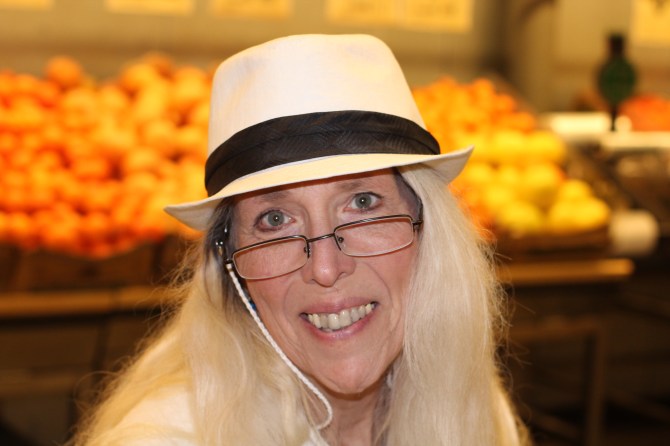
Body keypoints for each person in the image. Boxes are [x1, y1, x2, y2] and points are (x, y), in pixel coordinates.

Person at [72, 34, 528, 445]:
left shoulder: (471, 410)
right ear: (230, 268)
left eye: (363, 203)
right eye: (275, 220)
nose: (326, 269)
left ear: (429, 230)